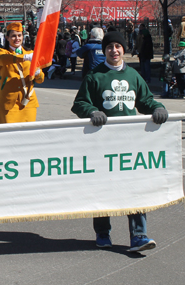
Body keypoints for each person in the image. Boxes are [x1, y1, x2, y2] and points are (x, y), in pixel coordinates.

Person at [71, 30, 168, 252]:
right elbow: (79, 104)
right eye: (109, 47)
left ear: (124, 49)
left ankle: (139, 235)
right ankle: (103, 232)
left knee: (134, 187)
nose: (114, 51)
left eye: (118, 46)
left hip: (130, 143)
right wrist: (92, 111)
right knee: (103, 187)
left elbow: (145, 101)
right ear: (104, 51)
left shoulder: (133, 76)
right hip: (102, 143)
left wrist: (158, 108)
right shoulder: (95, 76)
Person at [0, 22, 44, 123]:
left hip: (28, 102)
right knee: (7, 135)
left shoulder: (30, 53)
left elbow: (40, 80)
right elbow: (2, 59)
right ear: (7, 38)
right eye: (13, 36)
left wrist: (38, 73)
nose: (17, 38)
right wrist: (24, 58)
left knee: (28, 135)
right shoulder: (1, 53)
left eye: (19, 35)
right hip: (8, 102)